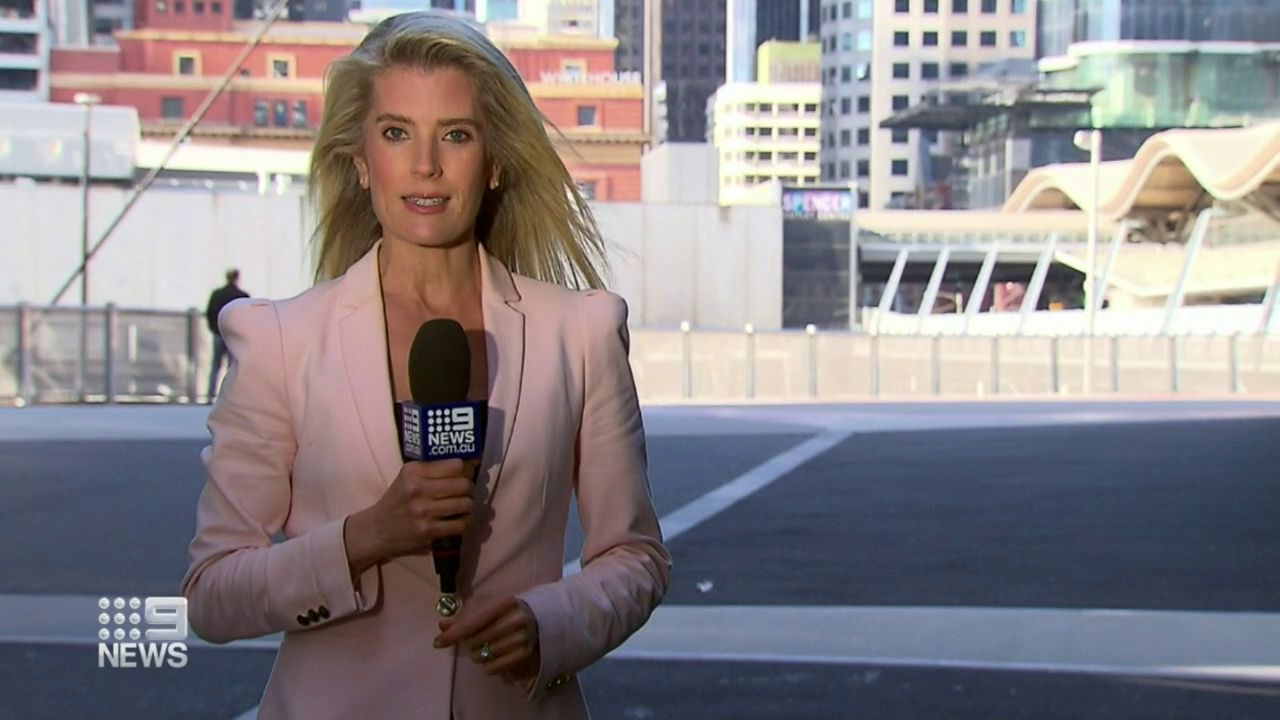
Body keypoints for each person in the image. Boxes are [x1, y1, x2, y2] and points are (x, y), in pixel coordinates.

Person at [181, 12, 670, 720]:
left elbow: (636, 557)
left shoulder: (580, 334)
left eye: (457, 134)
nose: (426, 165)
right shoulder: (281, 340)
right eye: (396, 132)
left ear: (494, 161)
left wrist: (552, 622)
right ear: (360, 159)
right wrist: (364, 537)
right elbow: (212, 595)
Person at [204, 268, 248, 402]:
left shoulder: (216, 294)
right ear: (237, 278)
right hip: (234, 336)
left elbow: (209, 313)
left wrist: (214, 329)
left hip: (218, 333)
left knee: (215, 365)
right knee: (232, 367)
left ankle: (210, 395)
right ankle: (230, 396)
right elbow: (247, 317)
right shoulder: (242, 295)